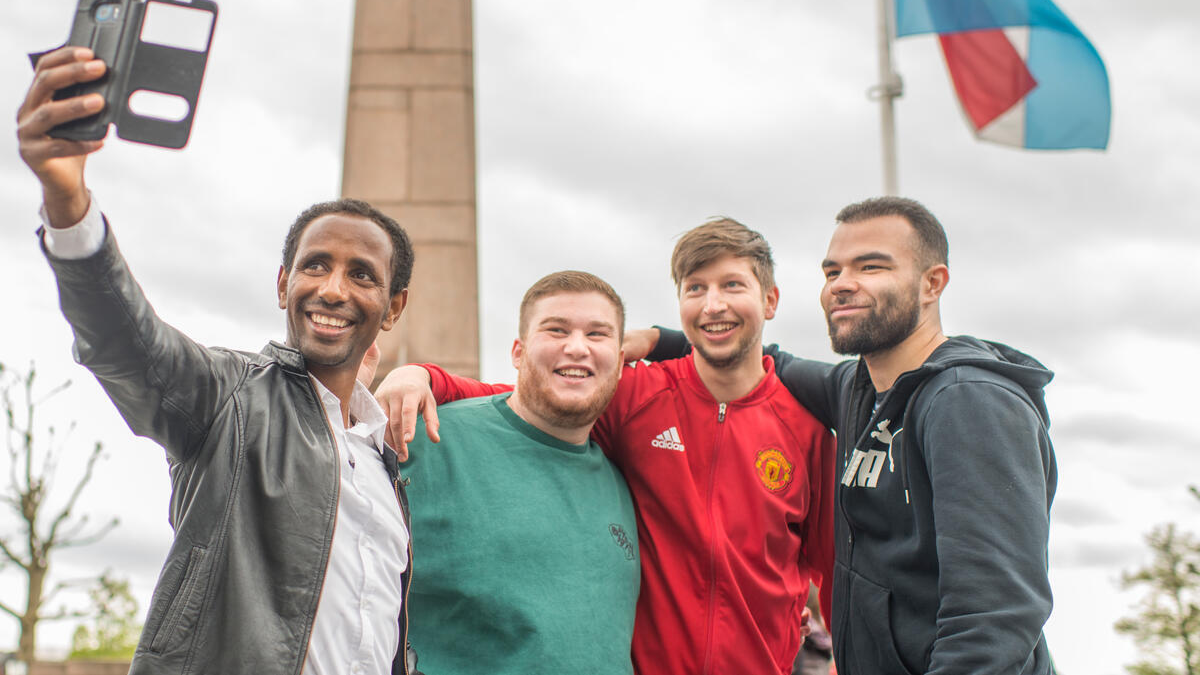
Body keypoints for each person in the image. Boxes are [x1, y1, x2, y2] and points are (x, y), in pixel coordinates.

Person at [18, 46, 420, 675]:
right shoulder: (229, 395)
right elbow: (126, 343)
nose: (334, 289)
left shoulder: (386, 462)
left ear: (392, 307)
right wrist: (67, 202)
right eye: (316, 265)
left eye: (361, 275)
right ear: (283, 283)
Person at [376, 218, 834, 675]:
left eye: (732, 285)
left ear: (770, 300)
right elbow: (535, 399)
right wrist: (424, 377)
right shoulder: (637, 396)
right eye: (696, 288)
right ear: (680, 303)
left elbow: (836, 575)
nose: (713, 304)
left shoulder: (808, 430)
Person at [646, 197, 1057, 675]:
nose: (843, 285)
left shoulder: (970, 401)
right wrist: (661, 340)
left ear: (932, 283)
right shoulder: (858, 389)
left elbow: (994, 617)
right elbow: (765, 362)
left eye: (871, 266)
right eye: (831, 272)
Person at [398, 270, 640, 673]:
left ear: (619, 364)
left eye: (597, 334)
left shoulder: (624, 481)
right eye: (556, 329)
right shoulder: (426, 441)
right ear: (517, 352)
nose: (577, 347)